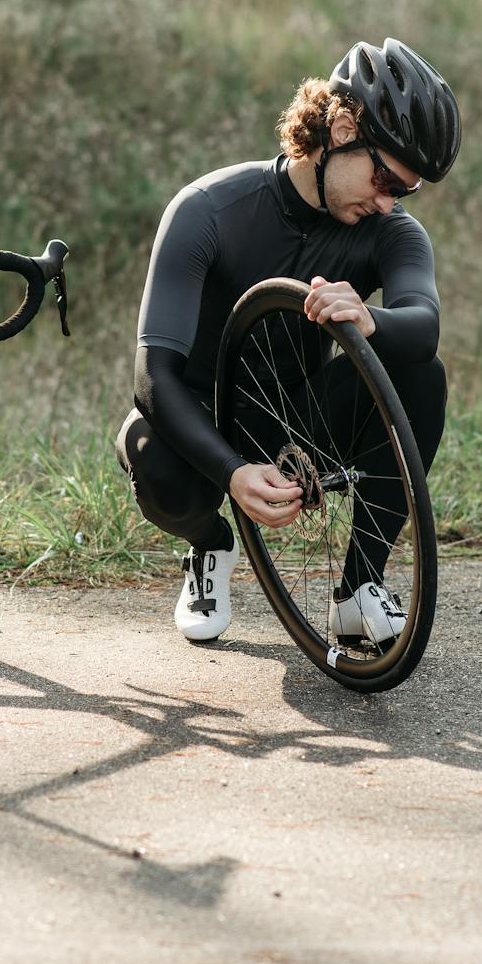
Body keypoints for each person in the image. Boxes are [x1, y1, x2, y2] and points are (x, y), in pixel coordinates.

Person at [116, 37, 459, 645]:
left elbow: (424, 325)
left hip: (294, 420)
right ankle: (209, 545)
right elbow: (152, 377)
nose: (387, 203)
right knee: (150, 450)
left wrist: (371, 319)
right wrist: (231, 474)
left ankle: (358, 588)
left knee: (421, 374)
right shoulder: (209, 210)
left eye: (403, 192)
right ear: (342, 128)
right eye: (383, 178)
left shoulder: (389, 232)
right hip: (201, 427)